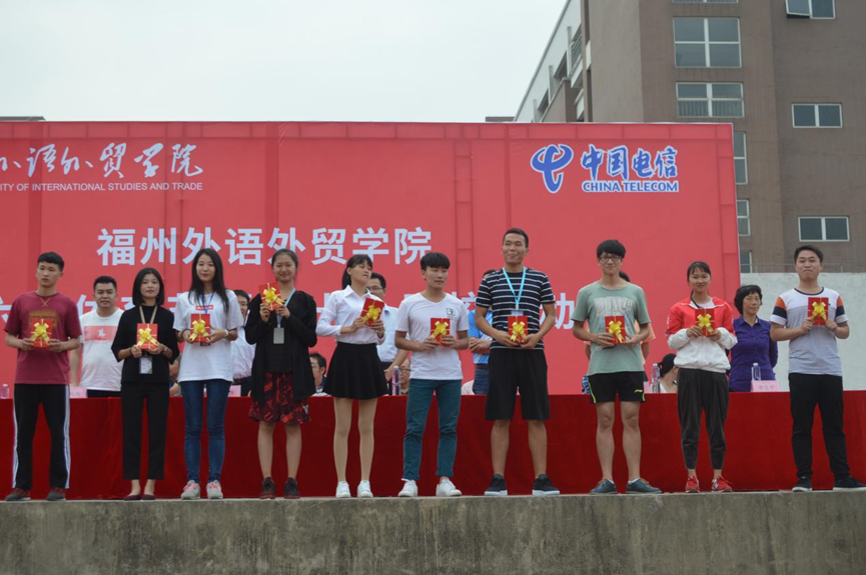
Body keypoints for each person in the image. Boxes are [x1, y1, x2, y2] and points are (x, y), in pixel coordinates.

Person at [770, 245, 866, 492]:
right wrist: (799, 330)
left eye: (812, 260)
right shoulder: (785, 298)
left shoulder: (833, 296)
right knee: (802, 426)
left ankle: (842, 477)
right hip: (801, 370)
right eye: (802, 260)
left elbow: (845, 332)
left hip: (830, 369)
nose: (807, 264)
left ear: (821, 265)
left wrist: (835, 327)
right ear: (795, 266)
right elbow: (775, 333)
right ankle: (803, 478)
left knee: (834, 425)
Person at [475, 228, 560, 497]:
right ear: (501, 248)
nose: (513, 248)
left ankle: (541, 479)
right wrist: (497, 334)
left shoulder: (539, 278)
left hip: (532, 352)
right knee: (501, 416)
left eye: (518, 244)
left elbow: (550, 314)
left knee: (536, 416)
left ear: (526, 249)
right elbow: (479, 317)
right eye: (508, 244)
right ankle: (498, 479)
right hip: (501, 353)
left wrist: (538, 336)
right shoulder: (491, 280)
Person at [572, 240, 660, 495]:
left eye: (615, 257)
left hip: (630, 364)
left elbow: (645, 327)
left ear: (622, 260)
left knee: (631, 419)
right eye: (605, 257)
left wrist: (635, 338)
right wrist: (594, 337)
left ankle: (634, 479)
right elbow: (577, 328)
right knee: (605, 419)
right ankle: (606, 479)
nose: (610, 261)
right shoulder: (587, 292)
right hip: (600, 366)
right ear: (598, 260)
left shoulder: (635, 292)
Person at [4, 252, 82, 502]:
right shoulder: (21, 301)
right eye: (42, 268)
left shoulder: (67, 304)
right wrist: (22, 343)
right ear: (36, 271)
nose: (46, 273)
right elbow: (9, 337)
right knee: (23, 434)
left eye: (51, 269)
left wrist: (62, 346)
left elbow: (76, 340)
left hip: (56, 379)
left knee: (59, 434)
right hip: (25, 378)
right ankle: (21, 486)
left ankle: (58, 486)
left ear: (60, 274)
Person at [245, 249, 318, 499]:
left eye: (288, 265)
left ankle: (291, 480)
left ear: (296, 268)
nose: (284, 269)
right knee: (265, 424)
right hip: (266, 371)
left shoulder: (305, 301)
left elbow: (310, 338)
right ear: (273, 269)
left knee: (293, 426)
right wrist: (264, 319)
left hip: (294, 372)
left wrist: (289, 316)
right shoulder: (260, 299)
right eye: (279, 265)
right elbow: (250, 336)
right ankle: (267, 480)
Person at [395, 252, 469, 498]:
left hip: (450, 374)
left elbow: (465, 340)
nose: (440, 275)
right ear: (423, 273)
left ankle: (444, 480)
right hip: (421, 374)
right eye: (434, 270)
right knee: (414, 428)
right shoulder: (410, 304)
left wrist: (453, 342)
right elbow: (399, 340)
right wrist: (419, 345)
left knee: (448, 428)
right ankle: (410, 480)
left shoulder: (456, 304)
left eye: (444, 270)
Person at [173, 248, 244, 500]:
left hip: (218, 368)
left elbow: (234, 332)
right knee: (192, 427)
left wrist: (221, 333)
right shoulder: (185, 298)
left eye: (210, 264)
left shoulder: (228, 297)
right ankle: (192, 481)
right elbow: (178, 332)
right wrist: (186, 334)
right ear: (195, 268)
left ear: (217, 268)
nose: (205, 269)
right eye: (201, 264)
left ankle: (214, 480)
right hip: (191, 369)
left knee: (215, 427)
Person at [316, 254, 387, 498]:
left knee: (366, 426)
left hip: (368, 357)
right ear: (349, 271)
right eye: (361, 267)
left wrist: (380, 331)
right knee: (343, 426)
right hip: (345, 356)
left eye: (369, 268)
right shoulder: (338, 297)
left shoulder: (376, 301)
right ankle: (342, 482)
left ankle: (365, 481)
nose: (366, 271)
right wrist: (348, 328)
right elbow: (320, 327)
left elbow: (381, 340)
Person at [667, 261, 737, 493]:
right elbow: (671, 341)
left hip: (716, 371)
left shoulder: (722, 307)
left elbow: (732, 340)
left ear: (710, 278)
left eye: (704, 276)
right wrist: (687, 332)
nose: (700, 280)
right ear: (688, 280)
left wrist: (719, 334)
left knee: (717, 426)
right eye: (695, 277)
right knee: (690, 426)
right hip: (689, 372)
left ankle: (718, 477)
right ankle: (692, 477)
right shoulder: (679, 308)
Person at [111, 268, 179, 500]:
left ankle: (150, 485)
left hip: (158, 381)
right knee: (131, 433)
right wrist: (131, 351)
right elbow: (117, 351)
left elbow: (173, 352)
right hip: (132, 380)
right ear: (138, 287)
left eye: (154, 282)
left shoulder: (167, 316)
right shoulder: (128, 316)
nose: (150, 286)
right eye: (145, 282)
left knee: (157, 433)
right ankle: (134, 486)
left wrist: (162, 349)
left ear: (160, 287)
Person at [69, 276, 124, 398]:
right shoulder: (83, 320)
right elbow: (75, 353)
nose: (105, 296)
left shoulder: (125, 319)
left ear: (116, 295)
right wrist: (74, 382)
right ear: (94, 296)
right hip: (89, 384)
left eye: (109, 292)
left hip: (118, 385)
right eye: (100, 292)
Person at [729, 285, 778, 392]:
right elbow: (723, 355)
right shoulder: (732, 326)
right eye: (749, 299)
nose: (754, 302)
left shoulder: (768, 327)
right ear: (741, 302)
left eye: (757, 299)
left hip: (765, 382)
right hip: (739, 382)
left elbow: (773, 357)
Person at [367, 273, 409, 392]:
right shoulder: (357, 316)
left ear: (384, 291)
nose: (371, 292)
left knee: (390, 402)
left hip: (389, 367)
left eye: (375, 288)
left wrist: (392, 369)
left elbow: (405, 345)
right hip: (363, 366)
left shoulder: (397, 314)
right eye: (367, 289)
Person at [467, 269, 497, 395]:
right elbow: (474, 346)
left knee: (506, 405)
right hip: (483, 369)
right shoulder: (474, 315)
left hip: (506, 367)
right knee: (481, 406)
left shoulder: (510, 313)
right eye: (485, 283)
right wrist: (501, 344)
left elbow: (515, 343)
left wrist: (488, 344)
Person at [231, 289, 256, 396]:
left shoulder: (253, 331)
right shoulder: (220, 331)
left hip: (249, 384)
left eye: (243, 304)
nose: (240, 307)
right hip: (224, 383)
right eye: (236, 303)